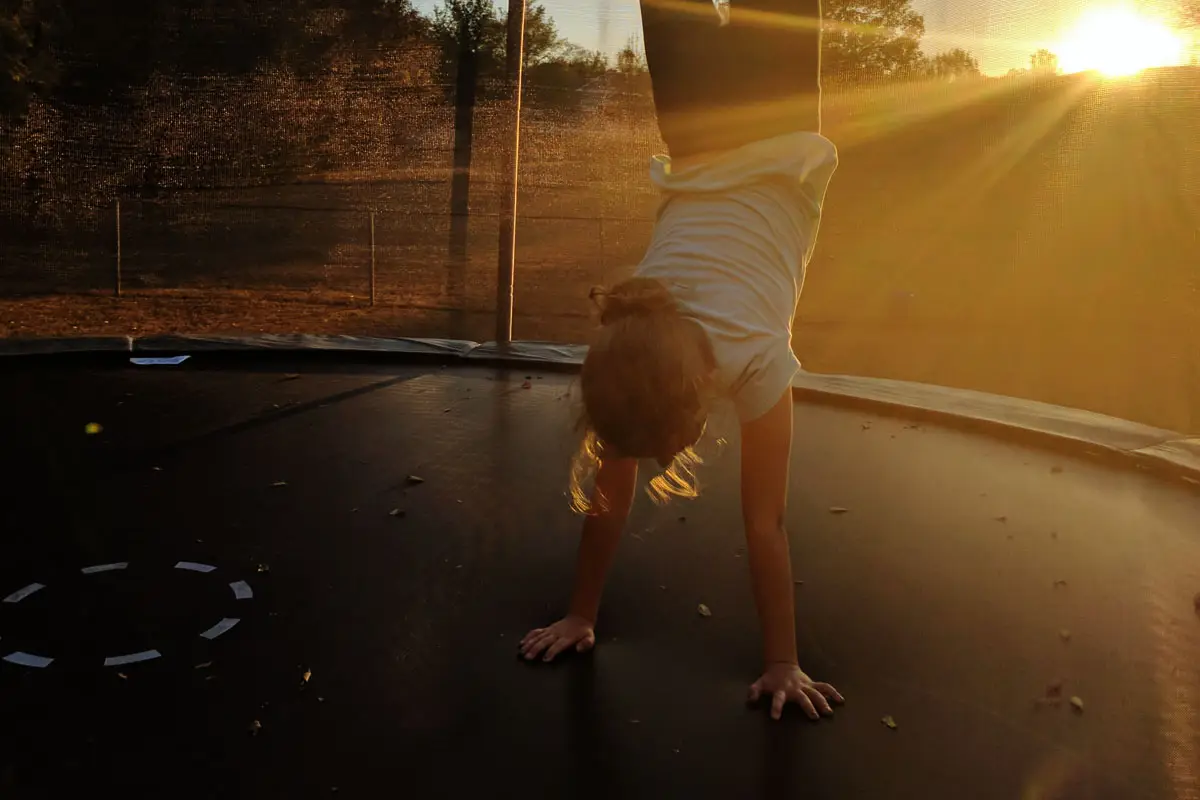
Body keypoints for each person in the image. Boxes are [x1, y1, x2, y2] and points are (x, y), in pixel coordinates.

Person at [519, 0, 844, 722]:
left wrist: (783, 662)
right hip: (695, 130)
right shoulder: (630, 342)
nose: (666, 460)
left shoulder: (758, 361)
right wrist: (579, 614)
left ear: (699, 398)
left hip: (780, 116)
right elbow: (612, 496)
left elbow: (767, 524)